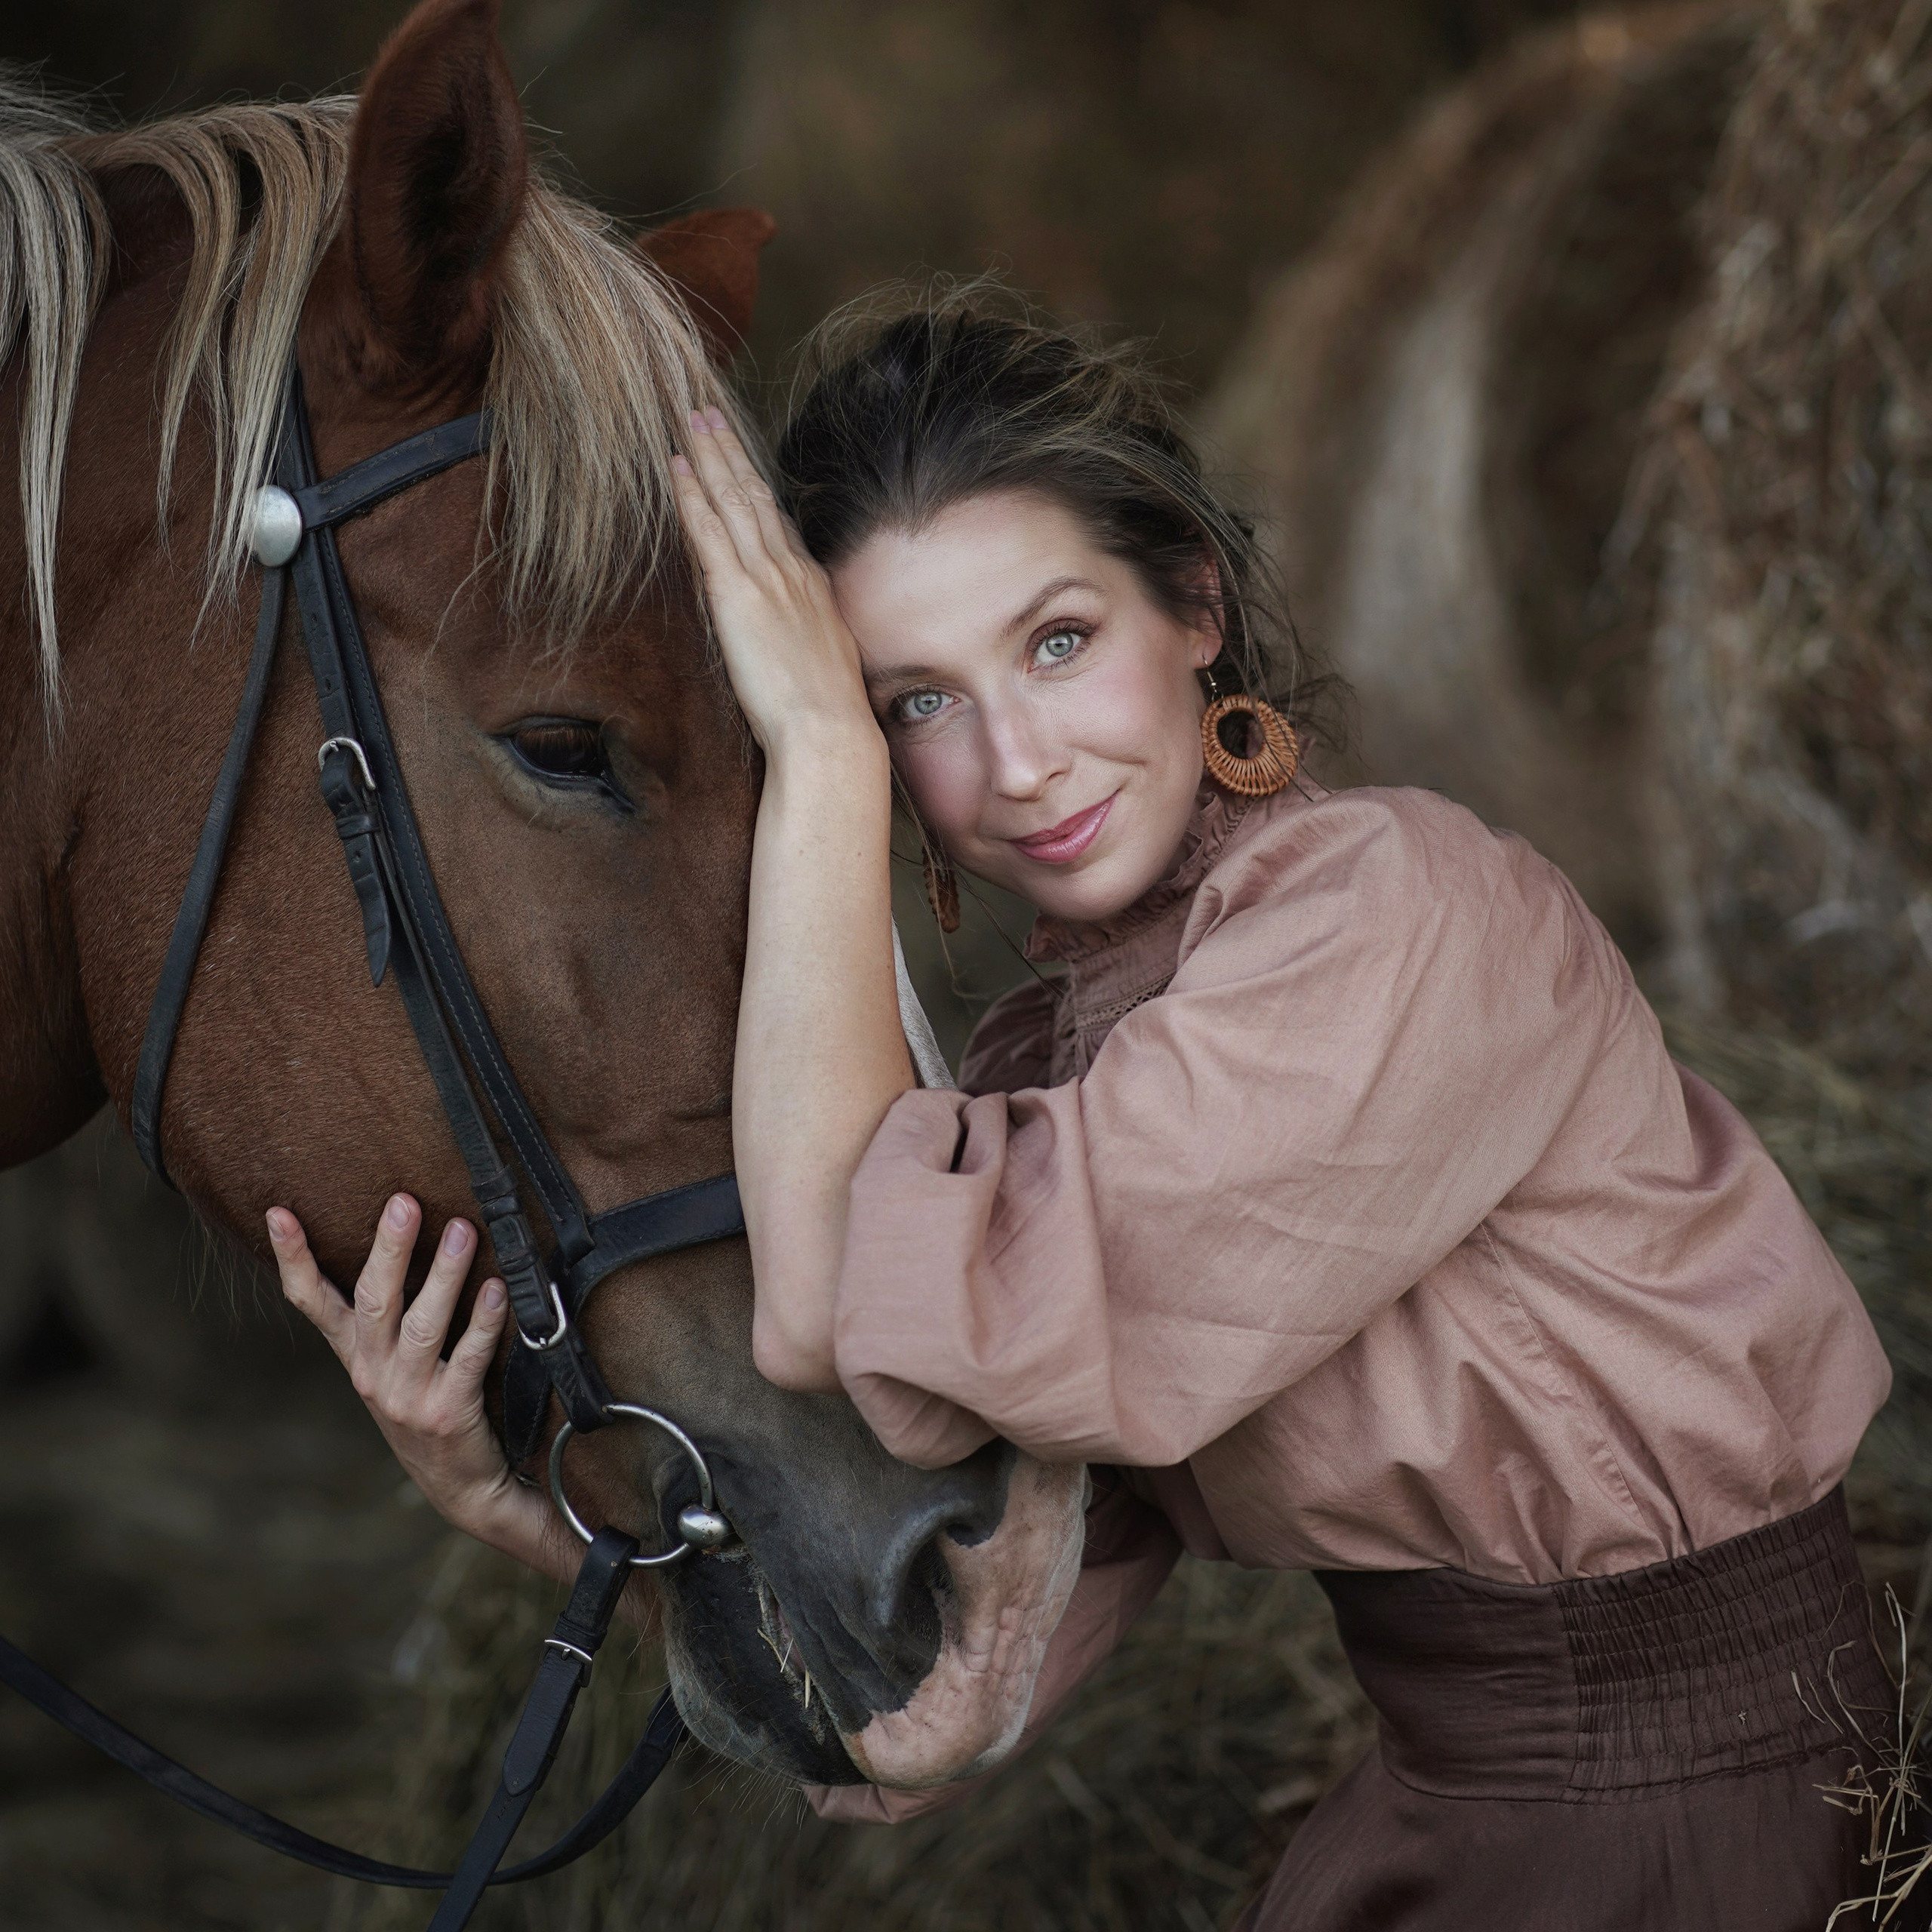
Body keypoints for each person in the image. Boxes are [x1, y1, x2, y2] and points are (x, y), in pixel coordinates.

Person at [268, 294, 1899, 1929]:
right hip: (1446, 1816)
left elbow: (836, 1305)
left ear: (1191, 604)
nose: (1021, 761)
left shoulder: (1394, 919)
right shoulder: (1050, 1076)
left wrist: (818, 758)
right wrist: (531, 1509)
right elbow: (939, 1689)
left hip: (1689, 1834)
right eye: (915, 701)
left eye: (1057, 642)